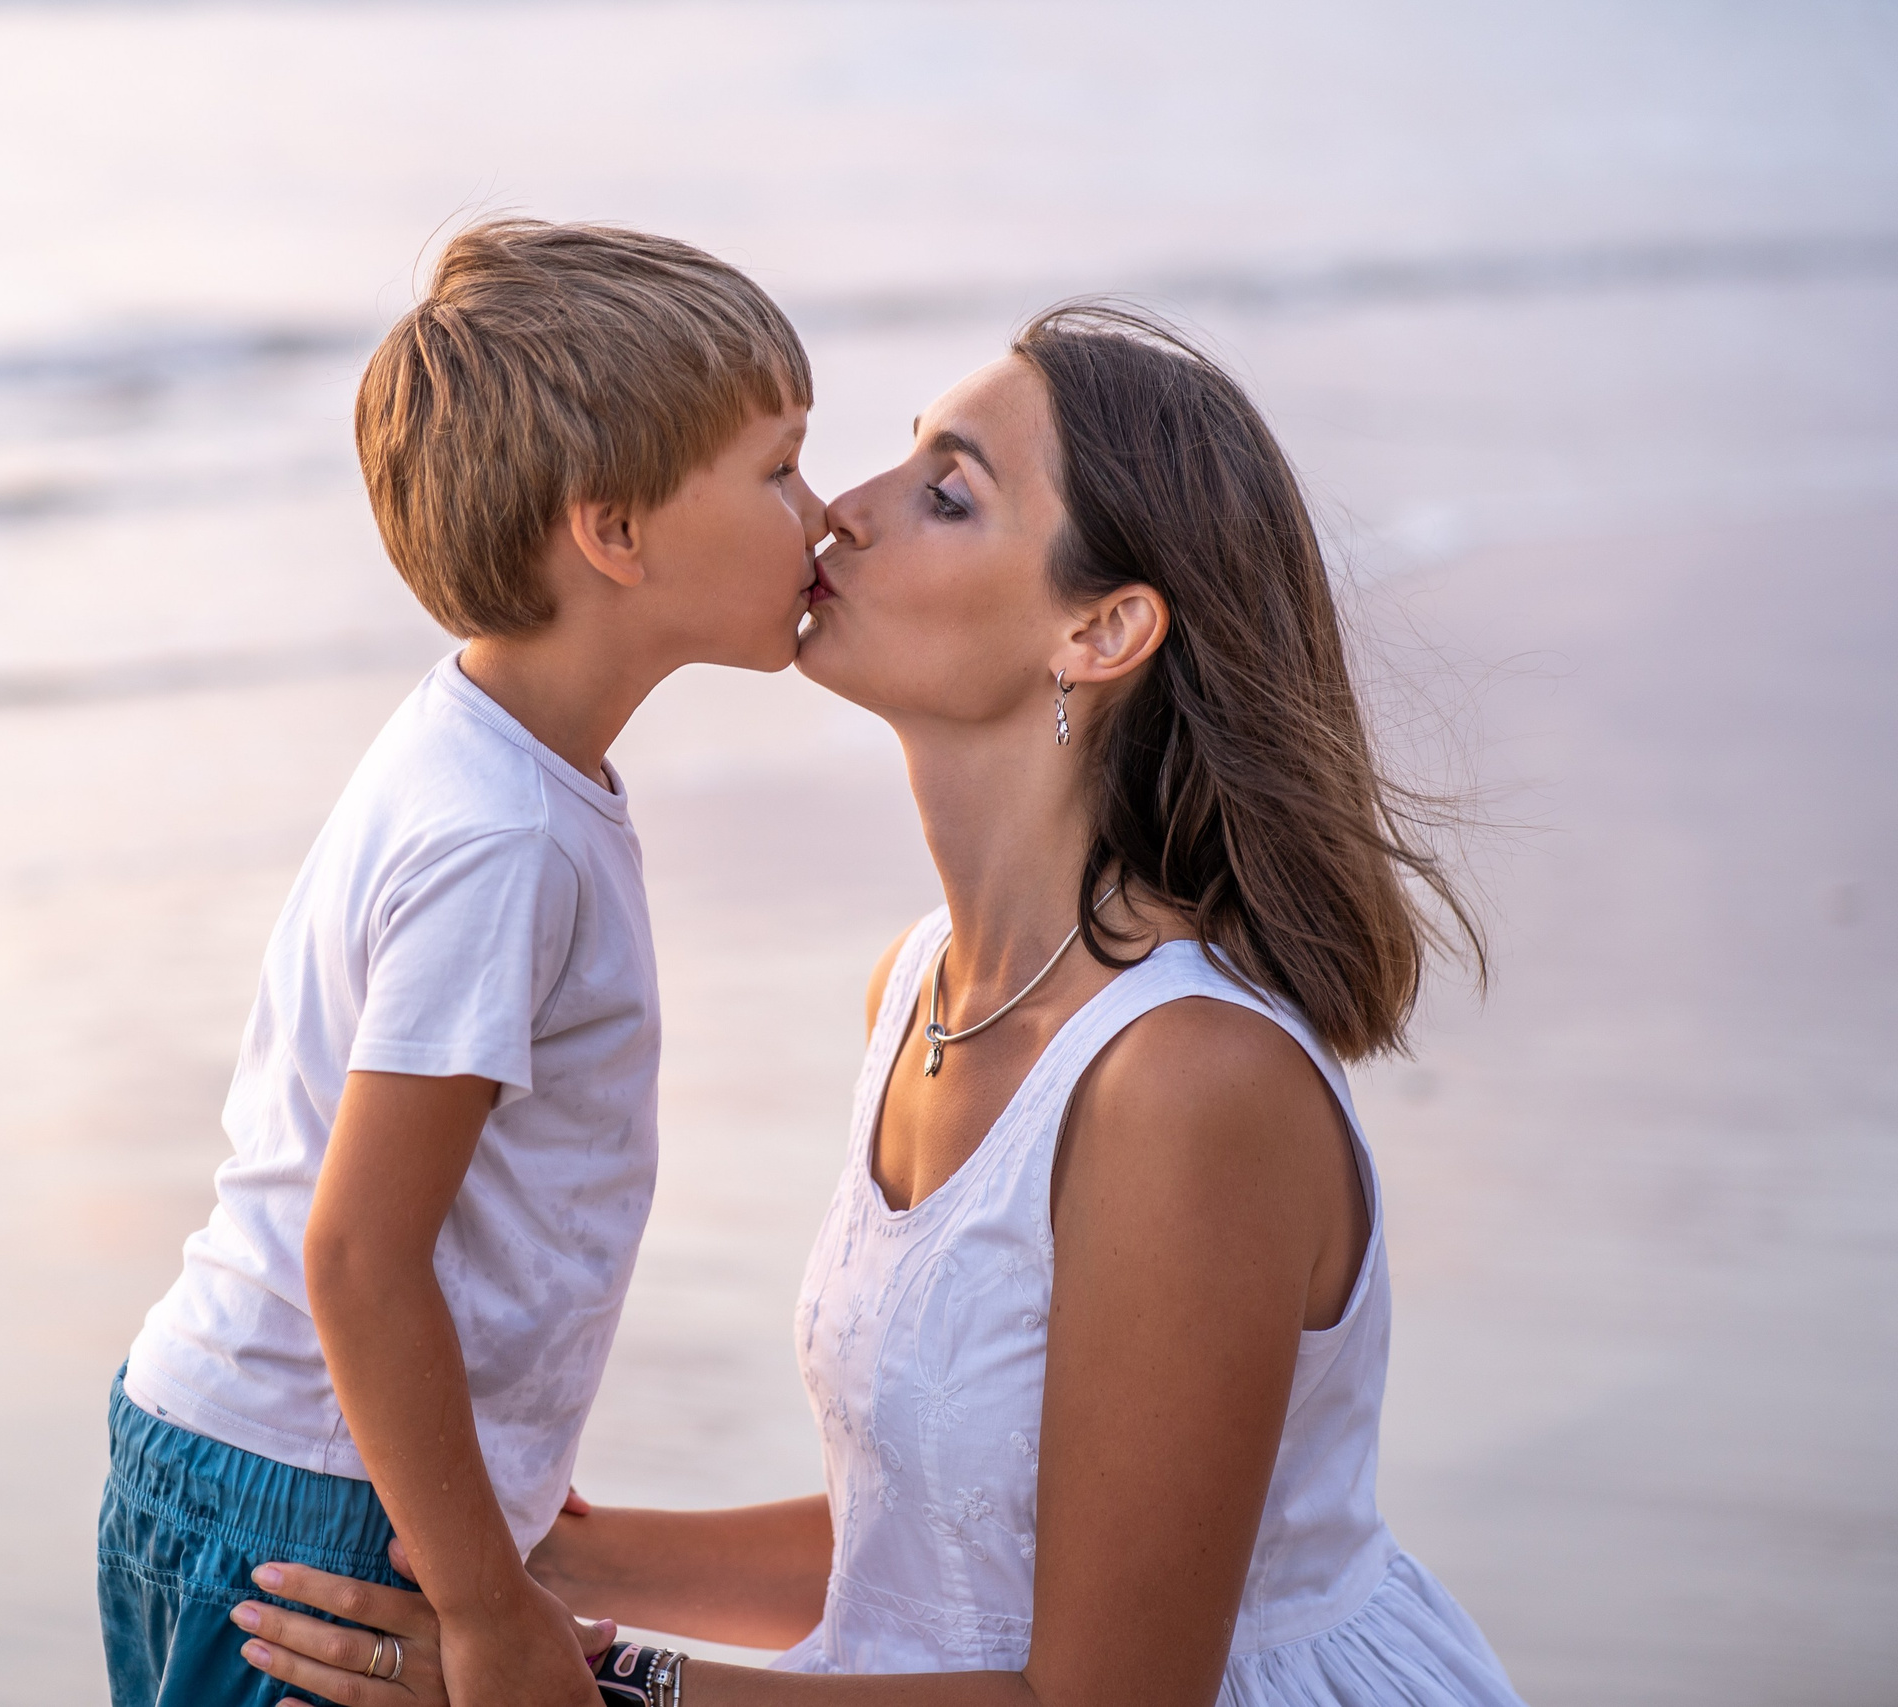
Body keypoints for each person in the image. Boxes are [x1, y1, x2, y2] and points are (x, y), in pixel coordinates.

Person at [226, 305, 1527, 1707]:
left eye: (945, 494)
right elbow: (940, 1551)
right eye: (895, 460)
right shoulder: (918, 989)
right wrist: (535, 1576)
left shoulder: (1187, 1086)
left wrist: (608, 1695)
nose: (839, 511)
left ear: (1100, 629)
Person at [99, 219, 826, 1707]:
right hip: (311, 1499)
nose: (820, 515)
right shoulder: (504, 839)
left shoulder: (497, 760)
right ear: (614, 533)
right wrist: (488, 1611)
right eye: (776, 469)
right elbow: (360, 1252)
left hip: (288, 1454)